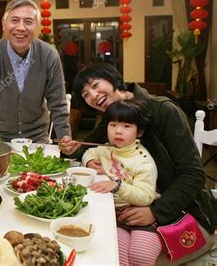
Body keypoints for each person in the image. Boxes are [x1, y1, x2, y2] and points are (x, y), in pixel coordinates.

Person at [60, 63, 215, 261]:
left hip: (185, 215)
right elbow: (85, 147)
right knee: (97, 245)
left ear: (113, 79)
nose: (93, 95)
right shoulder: (114, 114)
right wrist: (77, 153)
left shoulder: (163, 110)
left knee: (111, 257)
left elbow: (193, 174)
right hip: (133, 209)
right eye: (86, 95)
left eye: (96, 85)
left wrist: (155, 212)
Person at [0, 0, 70, 143]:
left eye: (28, 22)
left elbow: (58, 103)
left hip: (36, 139)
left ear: (36, 26)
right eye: (15, 20)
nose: (21, 28)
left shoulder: (48, 54)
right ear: (4, 24)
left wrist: (65, 137)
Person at [83, 100, 161, 265]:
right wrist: (89, 162)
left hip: (142, 218)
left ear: (139, 132)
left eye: (126, 126)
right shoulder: (105, 149)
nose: (118, 131)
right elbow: (89, 152)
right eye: (113, 125)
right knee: (115, 256)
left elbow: (146, 196)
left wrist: (117, 185)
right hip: (113, 216)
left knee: (141, 256)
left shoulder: (143, 161)